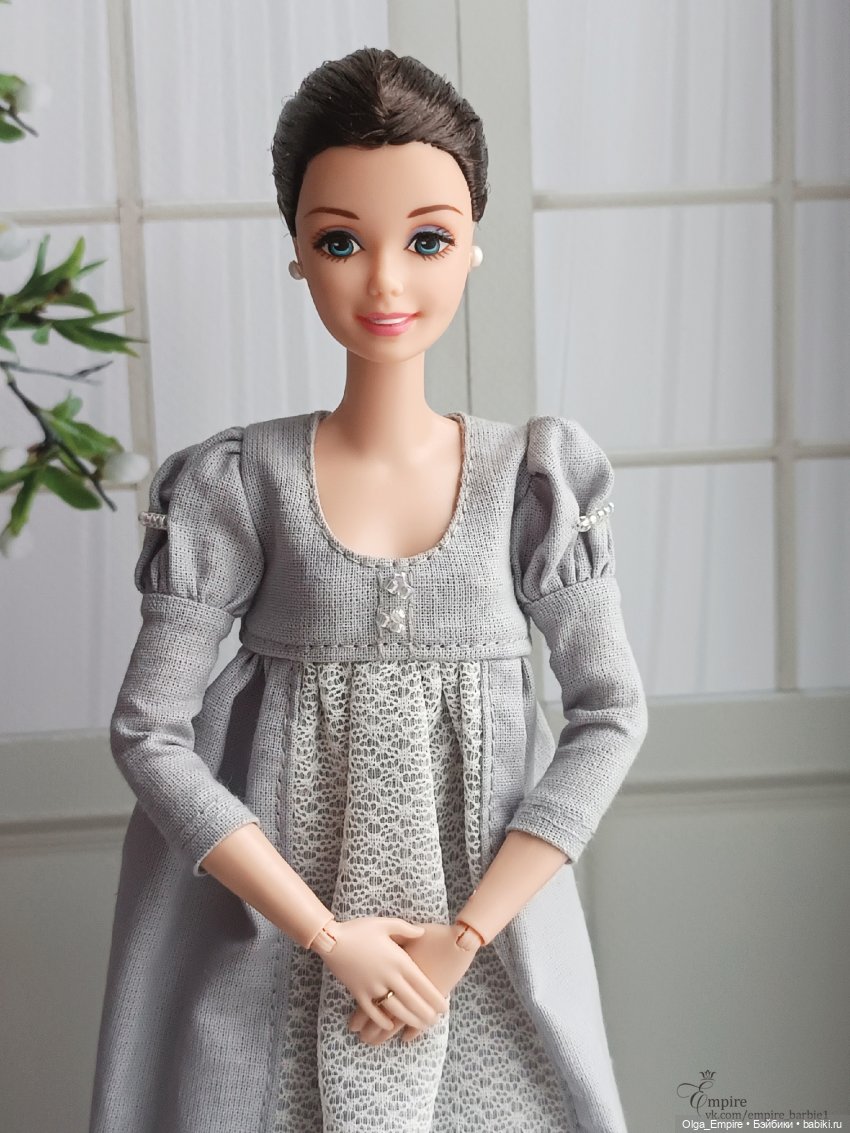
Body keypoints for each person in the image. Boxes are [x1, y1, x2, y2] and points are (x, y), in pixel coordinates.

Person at [88, 46, 648, 1133]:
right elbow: (148, 729)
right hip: (275, 946)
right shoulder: (239, 483)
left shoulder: (531, 480)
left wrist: (465, 936)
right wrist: (324, 933)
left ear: (473, 242)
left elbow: (609, 712)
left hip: (485, 948)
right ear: (298, 253)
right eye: (340, 241)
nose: (386, 283)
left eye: (427, 239)